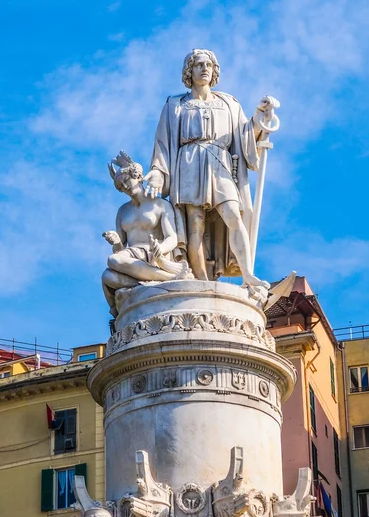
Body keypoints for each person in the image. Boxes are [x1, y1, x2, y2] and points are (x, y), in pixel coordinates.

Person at [144, 49, 275, 287]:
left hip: (220, 162)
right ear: (189, 71)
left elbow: (245, 137)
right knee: (195, 225)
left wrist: (259, 119)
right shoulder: (176, 105)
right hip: (189, 162)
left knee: (234, 216)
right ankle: (201, 281)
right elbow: (163, 144)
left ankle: (248, 274)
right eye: (199, 65)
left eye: (209, 65)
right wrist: (156, 173)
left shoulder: (229, 103)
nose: (205, 69)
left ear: (215, 71)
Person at [102, 151, 192, 317]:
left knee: (113, 260)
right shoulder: (123, 211)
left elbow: (172, 237)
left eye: (126, 180)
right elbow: (120, 248)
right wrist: (116, 241)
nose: (125, 187)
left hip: (153, 254)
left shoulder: (160, 205)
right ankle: (161, 281)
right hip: (131, 256)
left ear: (137, 175)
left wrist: (161, 249)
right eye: (120, 186)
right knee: (107, 277)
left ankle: (167, 277)